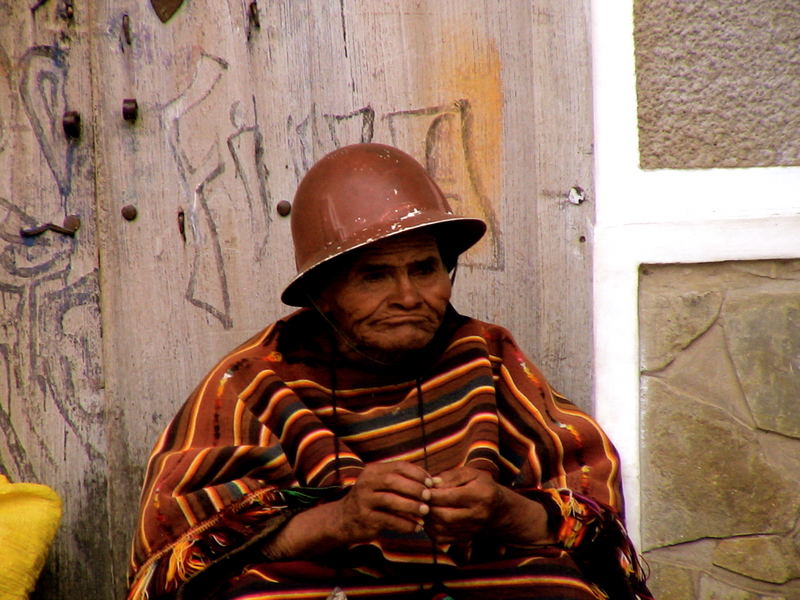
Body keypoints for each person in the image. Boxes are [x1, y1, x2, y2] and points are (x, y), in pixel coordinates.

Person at [127, 143, 652, 600]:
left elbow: (594, 526)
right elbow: (177, 554)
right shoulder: (252, 381)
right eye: (374, 276)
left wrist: (504, 510)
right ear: (320, 294)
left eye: (424, 269)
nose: (408, 297)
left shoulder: (488, 356)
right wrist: (340, 519)